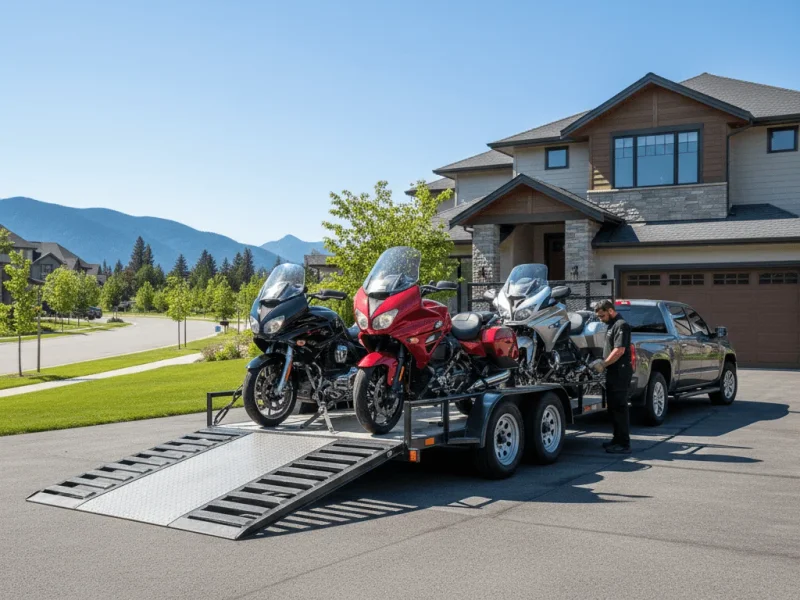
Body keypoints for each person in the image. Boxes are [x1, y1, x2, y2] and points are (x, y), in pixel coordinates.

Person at [590, 299, 633, 454]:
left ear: (610, 310)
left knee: (620, 408)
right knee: (613, 408)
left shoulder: (621, 325)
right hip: (613, 372)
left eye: (602, 316)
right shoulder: (611, 325)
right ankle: (616, 440)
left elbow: (619, 350)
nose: (600, 319)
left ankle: (624, 444)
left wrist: (604, 364)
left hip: (620, 373)